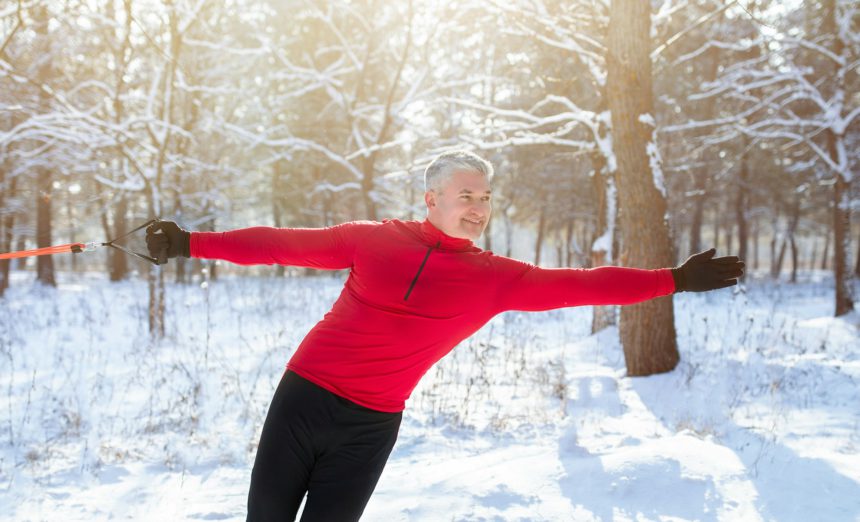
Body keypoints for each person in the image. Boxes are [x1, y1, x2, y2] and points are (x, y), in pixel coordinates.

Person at [146, 150, 744, 521]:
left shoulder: (494, 279)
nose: (479, 207)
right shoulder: (370, 239)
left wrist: (674, 280)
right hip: (303, 397)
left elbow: (584, 284)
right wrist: (189, 243)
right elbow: (278, 244)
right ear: (431, 199)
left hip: (372, 423)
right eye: (467, 196)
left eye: (485, 197)